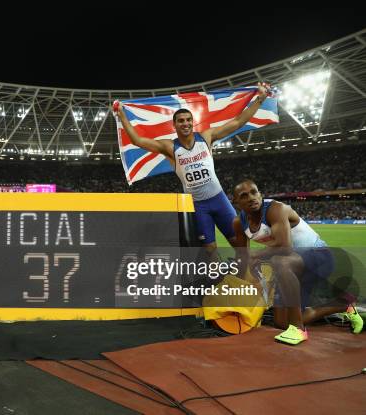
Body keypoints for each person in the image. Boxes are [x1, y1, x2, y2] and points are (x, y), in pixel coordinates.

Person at [116, 83, 271, 252]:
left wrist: (260, 99)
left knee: (239, 243)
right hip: (198, 206)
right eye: (181, 121)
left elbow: (238, 121)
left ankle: (250, 274)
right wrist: (121, 114)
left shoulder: (206, 137)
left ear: (193, 122)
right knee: (210, 249)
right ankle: (218, 278)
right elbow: (137, 141)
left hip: (219, 200)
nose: (185, 123)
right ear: (174, 125)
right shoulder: (169, 147)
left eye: (188, 120)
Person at [232, 179, 363, 345]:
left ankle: (298, 329)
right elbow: (242, 257)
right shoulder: (238, 223)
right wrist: (238, 287)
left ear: (260, 194)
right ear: (235, 202)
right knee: (281, 323)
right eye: (244, 195)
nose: (251, 197)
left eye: (254, 192)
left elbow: (285, 247)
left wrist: (257, 256)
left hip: (319, 257)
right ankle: (343, 305)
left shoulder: (275, 209)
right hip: (294, 267)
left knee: (280, 261)